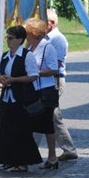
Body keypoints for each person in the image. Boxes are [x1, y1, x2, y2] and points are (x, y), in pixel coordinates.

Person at [0, 25, 42, 172]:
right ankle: (7, 159)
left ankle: (22, 161)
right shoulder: (5, 56)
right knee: (5, 127)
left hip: (21, 96)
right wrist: (1, 78)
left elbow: (32, 76)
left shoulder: (27, 55)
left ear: (20, 40)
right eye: (7, 37)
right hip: (7, 97)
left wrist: (14, 80)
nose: (8, 40)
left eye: (11, 38)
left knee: (21, 128)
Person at [24, 18, 60, 169]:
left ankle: (52, 157)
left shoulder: (47, 47)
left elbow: (53, 69)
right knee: (28, 125)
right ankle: (27, 156)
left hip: (45, 91)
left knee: (46, 125)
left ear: (33, 33)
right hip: (31, 89)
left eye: (27, 32)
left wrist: (35, 73)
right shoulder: (29, 47)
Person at [45, 8, 78, 161]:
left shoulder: (57, 39)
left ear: (51, 23)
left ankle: (69, 148)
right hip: (49, 79)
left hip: (55, 79)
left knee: (53, 115)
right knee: (48, 115)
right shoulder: (47, 37)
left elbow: (56, 63)